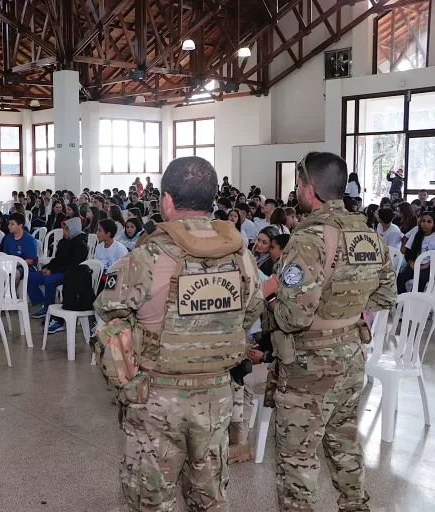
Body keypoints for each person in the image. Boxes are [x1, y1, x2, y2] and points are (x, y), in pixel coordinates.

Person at [94, 156, 263, 511]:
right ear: (213, 199)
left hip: (156, 397)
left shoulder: (146, 257)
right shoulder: (242, 256)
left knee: (151, 500)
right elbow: (251, 311)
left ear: (167, 200)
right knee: (210, 497)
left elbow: (108, 316)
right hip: (217, 396)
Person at [261, 151, 396, 512]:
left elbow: (292, 318)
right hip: (352, 358)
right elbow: (385, 296)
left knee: (297, 459)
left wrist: (271, 298)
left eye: (299, 184)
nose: (297, 190)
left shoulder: (309, 241)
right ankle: (355, 505)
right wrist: (346, 310)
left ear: (310, 189)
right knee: (345, 441)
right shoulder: (369, 236)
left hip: (310, 367)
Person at [29, 217, 89, 323]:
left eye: (67, 230)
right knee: (30, 277)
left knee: (49, 280)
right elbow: (57, 259)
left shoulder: (81, 245)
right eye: (64, 229)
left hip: (69, 273)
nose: (64, 232)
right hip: (57, 270)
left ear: (74, 230)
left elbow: (72, 264)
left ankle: (48, 308)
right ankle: (42, 301)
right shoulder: (63, 242)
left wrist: (52, 271)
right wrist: (47, 267)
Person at [397, 211, 435, 294]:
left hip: (431, 266)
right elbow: (408, 252)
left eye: (429, 222)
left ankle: (413, 303)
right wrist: (411, 262)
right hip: (415, 264)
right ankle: (403, 302)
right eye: (423, 221)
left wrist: (426, 265)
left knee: (420, 280)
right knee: (400, 278)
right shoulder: (417, 234)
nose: (425, 224)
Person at [0, 213, 38, 284]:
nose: (9, 226)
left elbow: (30, 261)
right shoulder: (8, 238)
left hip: (26, 266)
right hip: (11, 264)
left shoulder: (30, 240)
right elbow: (5, 254)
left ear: (20, 226)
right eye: (9, 224)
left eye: (12, 224)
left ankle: (11, 294)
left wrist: (16, 263)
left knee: (15, 273)